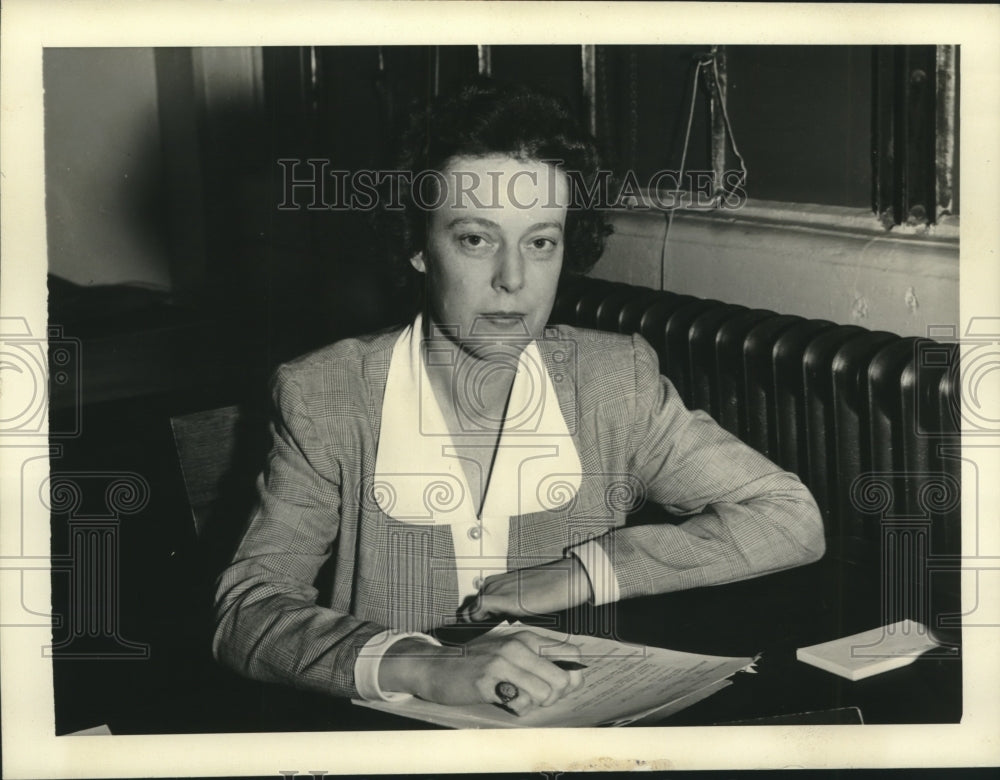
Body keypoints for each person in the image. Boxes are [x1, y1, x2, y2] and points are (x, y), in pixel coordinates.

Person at [212, 80, 825, 718]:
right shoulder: (326, 394)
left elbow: (786, 516)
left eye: (540, 242)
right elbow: (248, 611)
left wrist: (590, 571)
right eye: (476, 239)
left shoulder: (613, 380)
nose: (513, 280)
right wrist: (423, 664)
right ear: (419, 245)